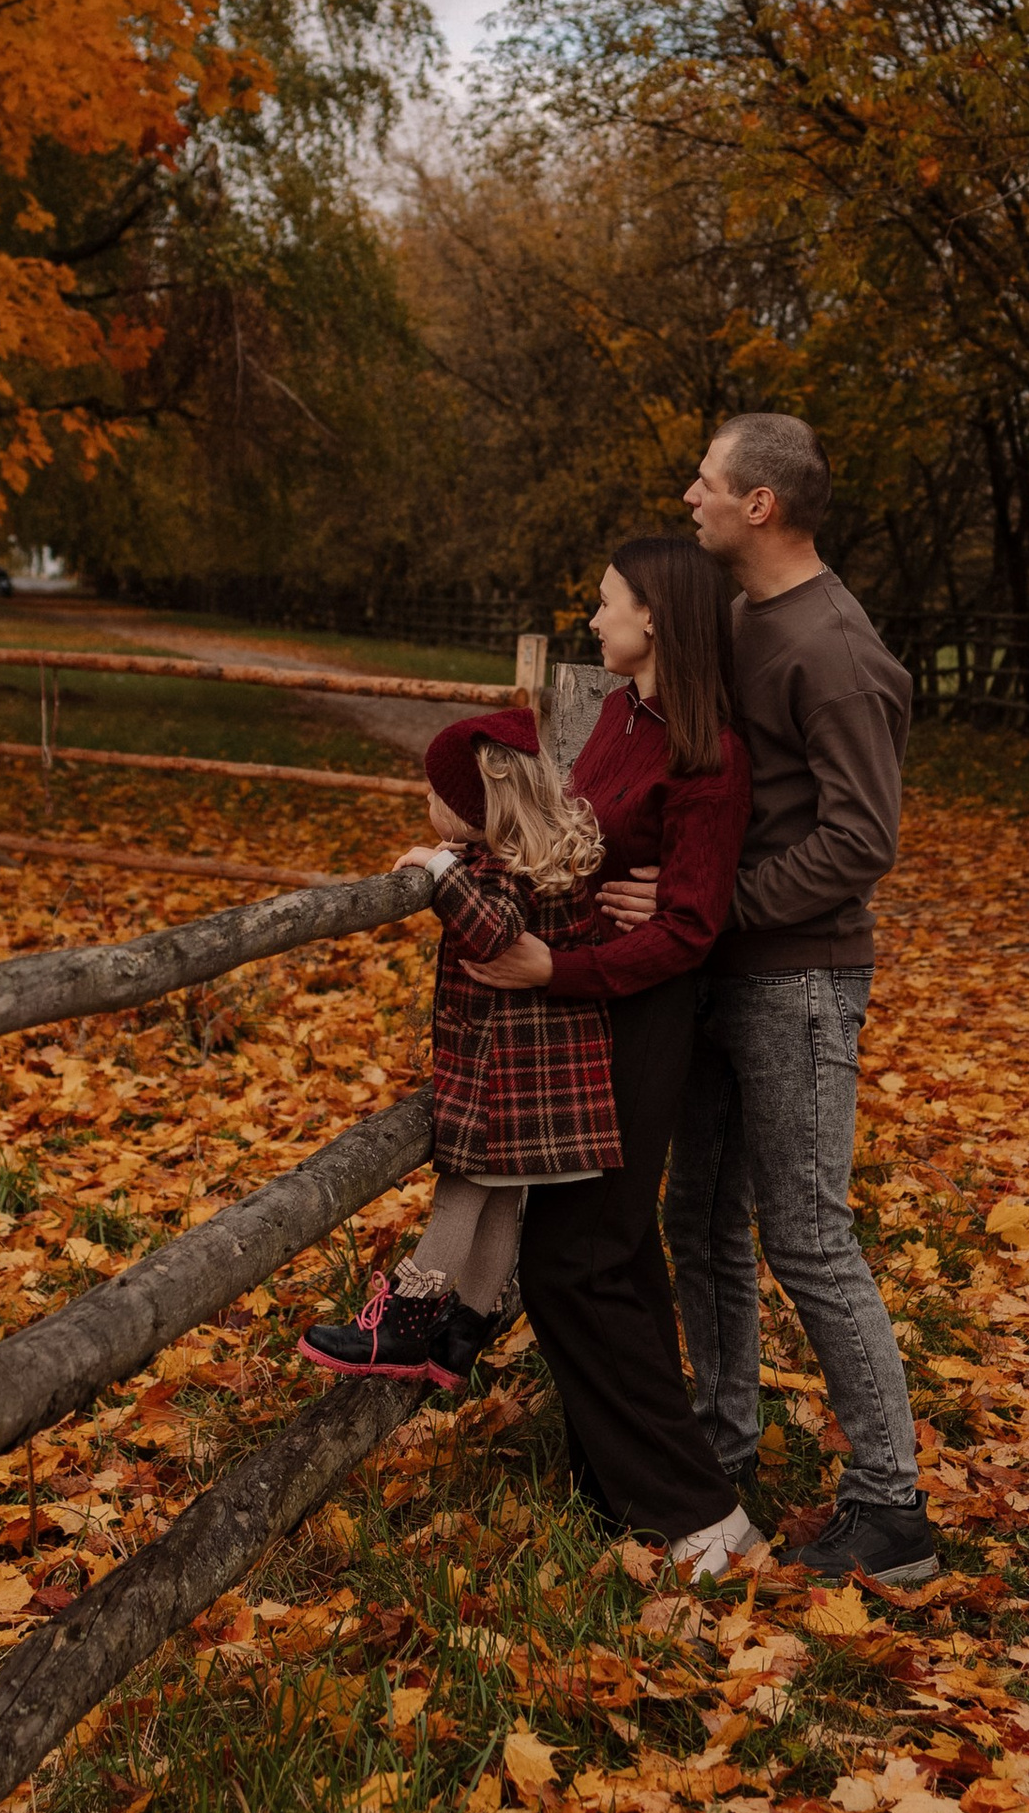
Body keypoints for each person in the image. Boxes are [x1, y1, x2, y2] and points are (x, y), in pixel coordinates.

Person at [662, 413, 936, 1593]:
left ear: (760, 504)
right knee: (698, 1222)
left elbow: (860, 841)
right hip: (724, 976)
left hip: (801, 981)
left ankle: (893, 1510)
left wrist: (717, 908)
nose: (691, 495)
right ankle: (720, 1450)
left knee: (810, 1239)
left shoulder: (833, 647)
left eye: (707, 482)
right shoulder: (741, 621)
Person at [457, 535, 761, 1579]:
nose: (594, 620)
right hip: (590, 1010)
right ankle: (621, 1492)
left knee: (574, 1264)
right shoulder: (622, 717)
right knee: (612, 1260)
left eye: (607, 604)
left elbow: (687, 931)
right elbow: (577, 846)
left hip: (640, 1022)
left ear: (654, 618)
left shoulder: (706, 753)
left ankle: (700, 1515)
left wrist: (555, 971)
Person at [297, 723, 619, 1397]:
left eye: (434, 792)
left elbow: (493, 930)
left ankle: (403, 1327)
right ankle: (462, 1333)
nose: (425, 801)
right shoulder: (525, 854)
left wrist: (441, 868)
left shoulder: (503, 867)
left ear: (479, 810)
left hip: (503, 1080)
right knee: (501, 1207)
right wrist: (458, 858)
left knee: (458, 1201)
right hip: (529, 1078)